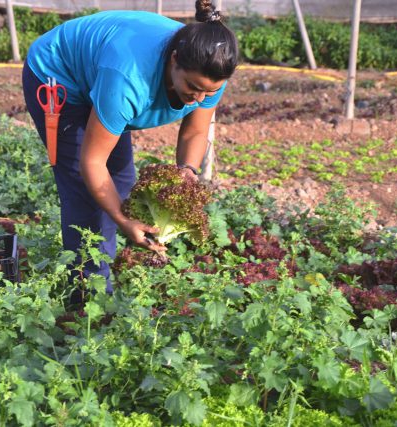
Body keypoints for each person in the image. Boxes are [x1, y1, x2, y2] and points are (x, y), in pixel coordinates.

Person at [22, 0, 239, 293]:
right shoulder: (128, 79)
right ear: (174, 60)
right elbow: (93, 162)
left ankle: (115, 266)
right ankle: (88, 295)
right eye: (192, 87)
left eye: (209, 91)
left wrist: (187, 171)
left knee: (123, 183)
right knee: (84, 192)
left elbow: (195, 131)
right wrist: (123, 220)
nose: (200, 98)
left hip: (102, 73)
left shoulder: (212, 69)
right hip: (60, 74)